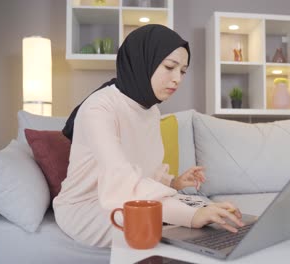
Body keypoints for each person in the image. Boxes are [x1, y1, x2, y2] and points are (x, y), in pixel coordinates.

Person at [53, 24, 244, 248]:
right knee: (161, 225)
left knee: (204, 219)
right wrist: (193, 216)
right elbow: (121, 179)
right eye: (170, 67)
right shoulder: (98, 107)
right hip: (86, 207)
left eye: (182, 71)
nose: (177, 79)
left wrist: (175, 182)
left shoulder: (151, 110)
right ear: (142, 61)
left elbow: (145, 171)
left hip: (130, 198)